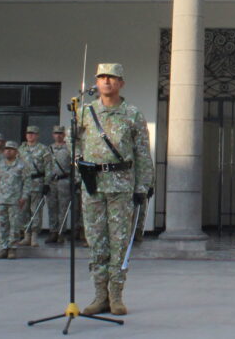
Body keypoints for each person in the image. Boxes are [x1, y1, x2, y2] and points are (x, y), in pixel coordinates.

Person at [76, 63, 155, 317]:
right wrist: (80, 166)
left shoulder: (132, 114)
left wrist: (143, 186)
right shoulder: (85, 113)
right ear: (96, 83)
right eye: (102, 78)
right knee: (96, 241)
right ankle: (100, 295)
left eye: (112, 78)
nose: (107, 81)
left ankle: (117, 295)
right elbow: (73, 144)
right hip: (93, 185)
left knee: (119, 242)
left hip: (121, 185)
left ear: (121, 83)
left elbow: (143, 153)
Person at [0, 140, 31, 259]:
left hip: (15, 200)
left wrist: (24, 197)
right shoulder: (0, 165)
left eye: (11, 149)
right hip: (1, 199)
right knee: (2, 224)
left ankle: (12, 249)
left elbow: (27, 183)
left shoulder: (22, 165)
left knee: (14, 225)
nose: (8, 151)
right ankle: (3, 247)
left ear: (16, 152)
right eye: (6, 149)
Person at [18, 125, 51, 247]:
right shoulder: (21, 149)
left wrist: (47, 183)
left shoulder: (43, 149)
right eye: (28, 133)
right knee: (24, 210)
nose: (30, 135)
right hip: (24, 184)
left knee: (35, 210)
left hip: (37, 182)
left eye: (33, 133)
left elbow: (48, 167)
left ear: (37, 135)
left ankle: (34, 237)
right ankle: (26, 235)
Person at [45, 125, 73, 244]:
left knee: (63, 208)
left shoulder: (69, 148)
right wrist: (46, 182)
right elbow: (47, 166)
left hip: (64, 181)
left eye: (61, 133)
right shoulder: (49, 149)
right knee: (52, 207)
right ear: (53, 135)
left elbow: (74, 166)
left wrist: (75, 180)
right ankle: (53, 231)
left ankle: (62, 232)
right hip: (52, 182)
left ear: (64, 135)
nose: (58, 135)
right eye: (56, 133)